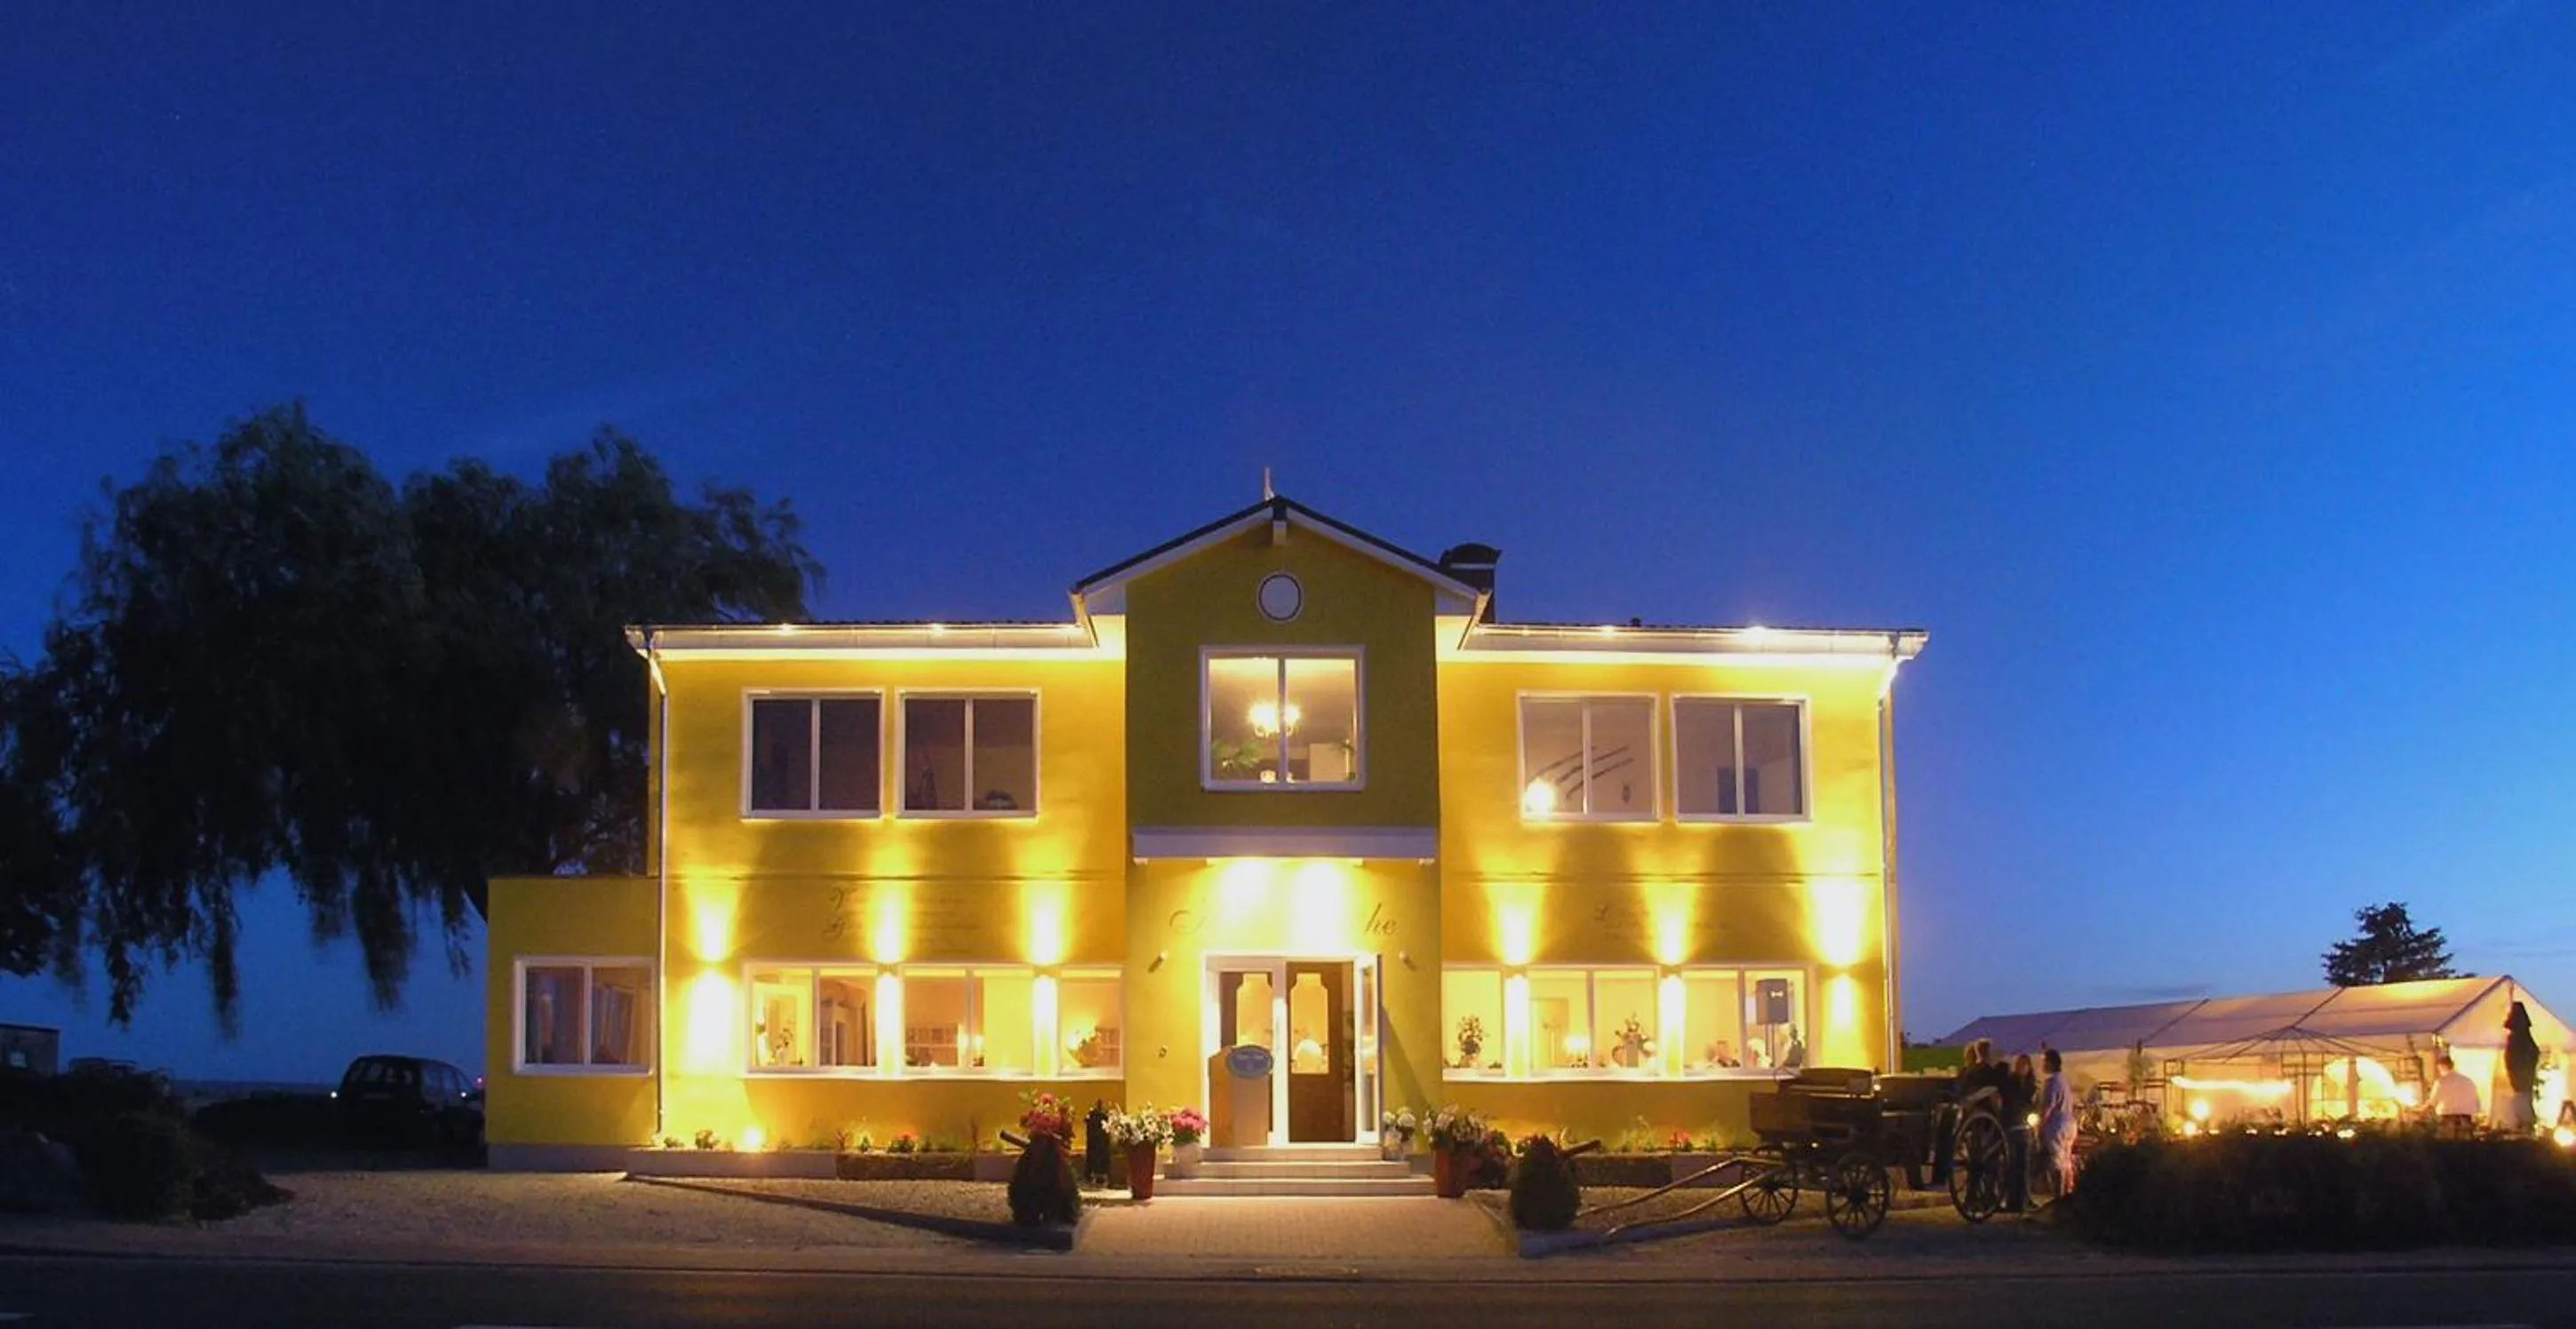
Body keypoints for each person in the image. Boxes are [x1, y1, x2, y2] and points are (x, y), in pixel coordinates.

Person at [2038, 1047, 2078, 1201]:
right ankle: (2067, 1194)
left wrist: (2040, 1125)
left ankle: (2059, 1197)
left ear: (2050, 1063)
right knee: (2066, 1160)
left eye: (2044, 1061)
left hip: (2056, 1126)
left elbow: (2048, 1106)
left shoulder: (2052, 1083)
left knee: (2056, 1162)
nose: (2042, 1065)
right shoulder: (2064, 1081)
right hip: (2069, 1123)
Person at [2003, 1053, 2038, 1213]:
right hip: (2012, 1126)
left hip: (2024, 1127)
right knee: (2013, 1165)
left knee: (2024, 1165)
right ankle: (2013, 1200)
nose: (2021, 1067)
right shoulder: (2010, 1083)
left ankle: (2023, 1199)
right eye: (2019, 1064)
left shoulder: (2031, 1086)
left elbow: (2033, 1105)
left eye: (2024, 1065)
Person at [2500, 1001, 2540, 1135]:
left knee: (2521, 1103)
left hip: (2520, 1079)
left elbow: (2513, 1058)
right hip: (2523, 1078)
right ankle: (2525, 1127)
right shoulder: (2526, 1038)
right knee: (2523, 1102)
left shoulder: (2516, 1039)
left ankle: (2525, 1127)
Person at [2430, 1053, 2480, 1138]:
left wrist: (2419, 1110)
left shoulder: (2441, 1082)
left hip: (2447, 1120)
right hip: (2466, 1120)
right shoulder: (2468, 1081)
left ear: (2441, 1067)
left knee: (2447, 1143)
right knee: (2465, 1144)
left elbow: (2432, 1102)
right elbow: (2476, 1103)